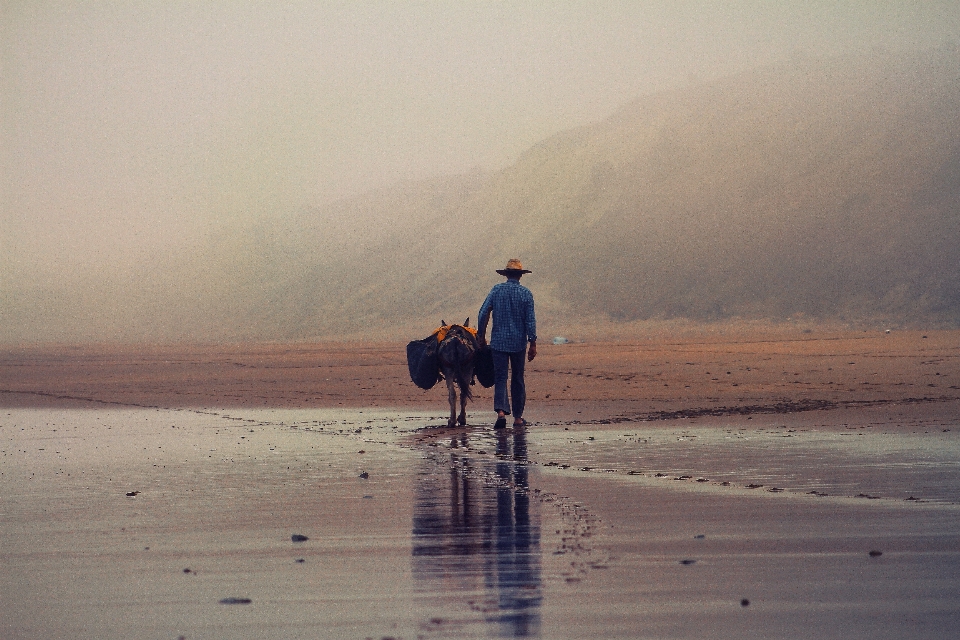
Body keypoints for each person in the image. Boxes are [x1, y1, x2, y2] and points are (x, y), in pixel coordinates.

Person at [477, 258, 537, 428]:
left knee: (501, 377)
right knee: (518, 378)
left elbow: (483, 313)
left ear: (506, 274)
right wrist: (532, 342)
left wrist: (481, 336)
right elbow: (530, 321)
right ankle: (518, 418)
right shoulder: (526, 294)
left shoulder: (496, 290)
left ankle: (501, 413)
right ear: (520, 276)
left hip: (498, 342)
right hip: (518, 343)